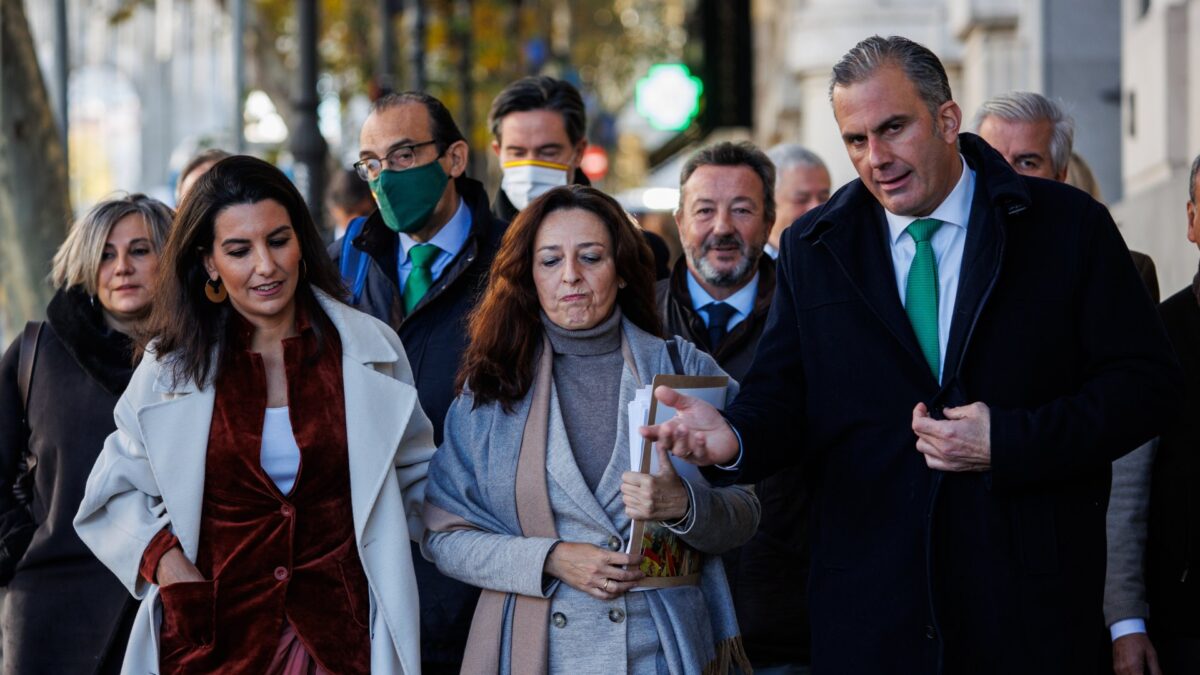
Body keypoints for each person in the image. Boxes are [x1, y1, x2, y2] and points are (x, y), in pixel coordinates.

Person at [643, 35, 1182, 675]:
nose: (877, 158)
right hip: (873, 619)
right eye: (855, 139)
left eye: (894, 128)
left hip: (1028, 614)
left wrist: (1008, 441)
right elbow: (782, 399)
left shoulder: (1067, 228)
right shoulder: (817, 248)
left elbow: (1147, 388)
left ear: (947, 119)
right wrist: (733, 438)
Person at [73, 156, 436, 674]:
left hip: (340, 642)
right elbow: (110, 495)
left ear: (301, 243)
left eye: (278, 240)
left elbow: (423, 483)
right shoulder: (169, 368)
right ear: (209, 263)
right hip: (214, 648)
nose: (266, 266)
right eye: (239, 250)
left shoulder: (369, 349)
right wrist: (171, 570)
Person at [423, 184, 759, 674]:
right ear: (528, 276)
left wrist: (684, 505)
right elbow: (442, 536)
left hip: (666, 652)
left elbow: (747, 512)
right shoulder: (490, 390)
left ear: (621, 269)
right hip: (537, 655)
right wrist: (549, 558)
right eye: (551, 261)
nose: (571, 278)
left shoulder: (684, 370)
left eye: (591, 257)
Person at [330, 90, 502, 673]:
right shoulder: (342, 264)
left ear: (454, 158)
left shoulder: (513, 264)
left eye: (404, 156)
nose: (385, 178)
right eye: (372, 164)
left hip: (480, 554)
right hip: (367, 558)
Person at [657, 140, 812, 674]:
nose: (722, 227)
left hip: (784, 616)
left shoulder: (813, 323)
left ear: (770, 219)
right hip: (664, 620)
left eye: (742, 210)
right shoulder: (637, 324)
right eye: (704, 210)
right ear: (680, 221)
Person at [0, 195, 172, 674]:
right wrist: (17, 547)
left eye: (140, 250)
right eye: (106, 253)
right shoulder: (39, 351)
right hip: (49, 608)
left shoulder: (198, 360)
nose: (122, 267)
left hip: (159, 607)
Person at [974, 91, 1159, 299]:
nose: (1007, 176)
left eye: (1027, 163)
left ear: (1060, 174)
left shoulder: (1117, 269)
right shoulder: (945, 258)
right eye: (993, 160)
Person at [488, 75, 672, 279]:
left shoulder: (633, 252)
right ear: (499, 152)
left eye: (548, 152)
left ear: (578, 152)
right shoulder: (472, 256)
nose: (530, 165)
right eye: (517, 153)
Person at [764, 144, 831, 259]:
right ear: (768, 204)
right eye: (802, 199)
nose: (816, 208)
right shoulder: (750, 270)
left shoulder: (839, 260)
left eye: (823, 198)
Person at [326, 167, 375, 240]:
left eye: (365, 213)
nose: (357, 219)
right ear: (334, 210)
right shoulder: (319, 248)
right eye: (349, 212)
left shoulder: (392, 244)